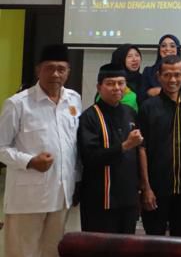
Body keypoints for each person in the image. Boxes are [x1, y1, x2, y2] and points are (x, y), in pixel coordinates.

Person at [0, 44, 81, 257]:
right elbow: (1, 147)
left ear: (68, 71)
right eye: (49, 68)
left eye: (61, 69)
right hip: (27, 197)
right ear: (38, 70)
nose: (55, 74)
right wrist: (29, 161)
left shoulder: (74, 99)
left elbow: (73, 146)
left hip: (61, 195)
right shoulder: (18, 104)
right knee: (22, 252)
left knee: (53, 252)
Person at [137, 55, 181, 236]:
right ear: (159, 76)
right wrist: (146, 188)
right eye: (167, 75)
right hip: (156, 189)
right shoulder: (148, 107)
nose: (172, 80)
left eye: (177, 74)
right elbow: (141, 148)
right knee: (154, 242)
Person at [78, 63, 143, 234]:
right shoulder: (89, 117)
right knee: (99, 246)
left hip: (128, 198)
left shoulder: (130, 113)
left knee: (126, 245)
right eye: (110, 83)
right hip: (100, 199)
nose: (116, 88)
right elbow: (90, 157)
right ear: (99, 87)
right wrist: (125, 146)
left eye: (121, 83)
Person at [141, 34, 181, 100]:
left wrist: (164, 91)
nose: (167, 49)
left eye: (172, 46)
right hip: (153, 106)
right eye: (163, 46)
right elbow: (141, 97)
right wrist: (149, 92)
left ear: (177, 49)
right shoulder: (148, 71)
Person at [107, 44, 143, 111]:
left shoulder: (144, 79)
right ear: (120, 60)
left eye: (137, 55)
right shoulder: (111, 81)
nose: (135, 59)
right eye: (129, 56)